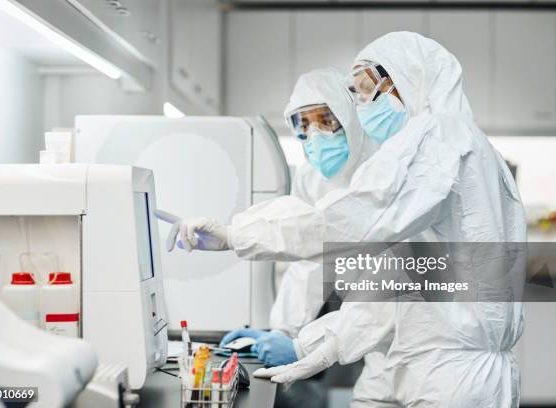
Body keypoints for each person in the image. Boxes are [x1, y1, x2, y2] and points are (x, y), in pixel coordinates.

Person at [168, 31, 526, 407]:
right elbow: (395, 283)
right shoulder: (443, 147)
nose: (362, 104)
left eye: (367, 88)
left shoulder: (441, 138)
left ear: (411, 76)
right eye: (355, 92)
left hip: (451, 373)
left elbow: (351, 221)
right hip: (420, 359)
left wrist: (235, 233)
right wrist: (311, 345)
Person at [217, 67, 399, 407]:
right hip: (356, 311)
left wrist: (303, 347)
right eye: (304, 124)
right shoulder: (312, 177)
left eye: (326, 120)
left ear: (349, 115)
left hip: (404, 333)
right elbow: (307, 261)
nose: (315, 134)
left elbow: (390, 294)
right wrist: (283, 330)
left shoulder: (383, 170)